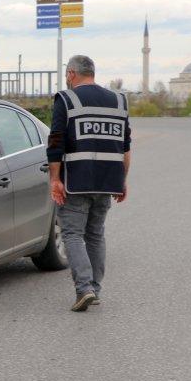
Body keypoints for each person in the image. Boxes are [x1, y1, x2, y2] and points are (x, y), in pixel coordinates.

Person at [46, 54, 132, 312]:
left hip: (76, 181)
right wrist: (122, 180)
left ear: (72, 74)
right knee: (96, 234)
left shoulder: (66, 99)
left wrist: (54, 180)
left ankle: (84, 289)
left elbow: (55, 141)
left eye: (66, 75)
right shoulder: (118, 100)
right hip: (108, 181)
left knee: (73, 234)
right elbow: (125, 147)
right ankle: (94, 287)